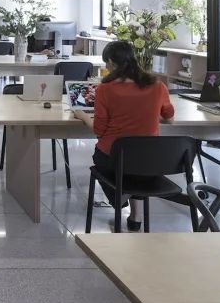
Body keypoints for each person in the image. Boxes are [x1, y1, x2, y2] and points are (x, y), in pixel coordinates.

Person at [74, 40, 174, 232]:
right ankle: (136, 217)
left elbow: (99, 130)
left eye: (106, 63)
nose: (106, 67)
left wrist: (83, 116)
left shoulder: (105, 89)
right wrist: (147, 114)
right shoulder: (158, 85)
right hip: (149, 162)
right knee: (137, 163)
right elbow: (169, 119)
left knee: (109, 159)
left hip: (114, 159)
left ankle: (120, 198)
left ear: (112, 62)